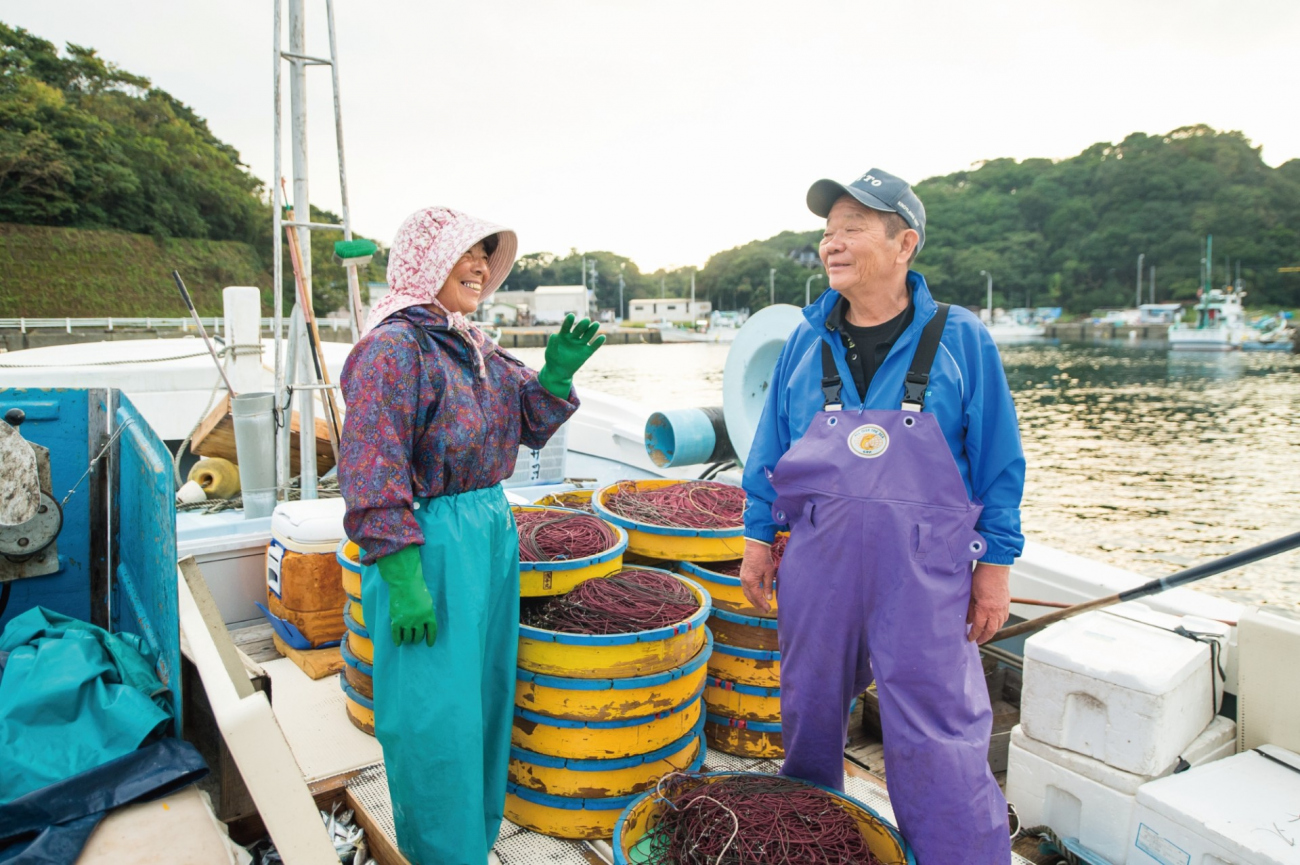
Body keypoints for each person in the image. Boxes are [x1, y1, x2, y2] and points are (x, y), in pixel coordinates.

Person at [739, 169, 1025, 863]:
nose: (831, 243)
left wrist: (995, 568)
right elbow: (772, 448)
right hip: (816, 561)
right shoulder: (806, 341)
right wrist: (755, 533)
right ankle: (810, 843)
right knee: (808, 712)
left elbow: (997, 461)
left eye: (852, 228)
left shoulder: (961, 340)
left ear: (905, 244)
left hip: (924, 571)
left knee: (936, 728)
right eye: (827, 231)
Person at [338, 206, 604, 865]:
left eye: (489, 252)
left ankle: (473, 843)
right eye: (467, 250)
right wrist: (402, 577)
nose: (482, 264)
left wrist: (558, 372)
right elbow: (372, 467)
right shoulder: (392, 348)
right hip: (428, 545)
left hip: (489, 530)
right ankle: (440, 852)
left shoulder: (474, 342)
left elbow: (531, 418)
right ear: (424, 260)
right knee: (434, 717)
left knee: (485, 702)